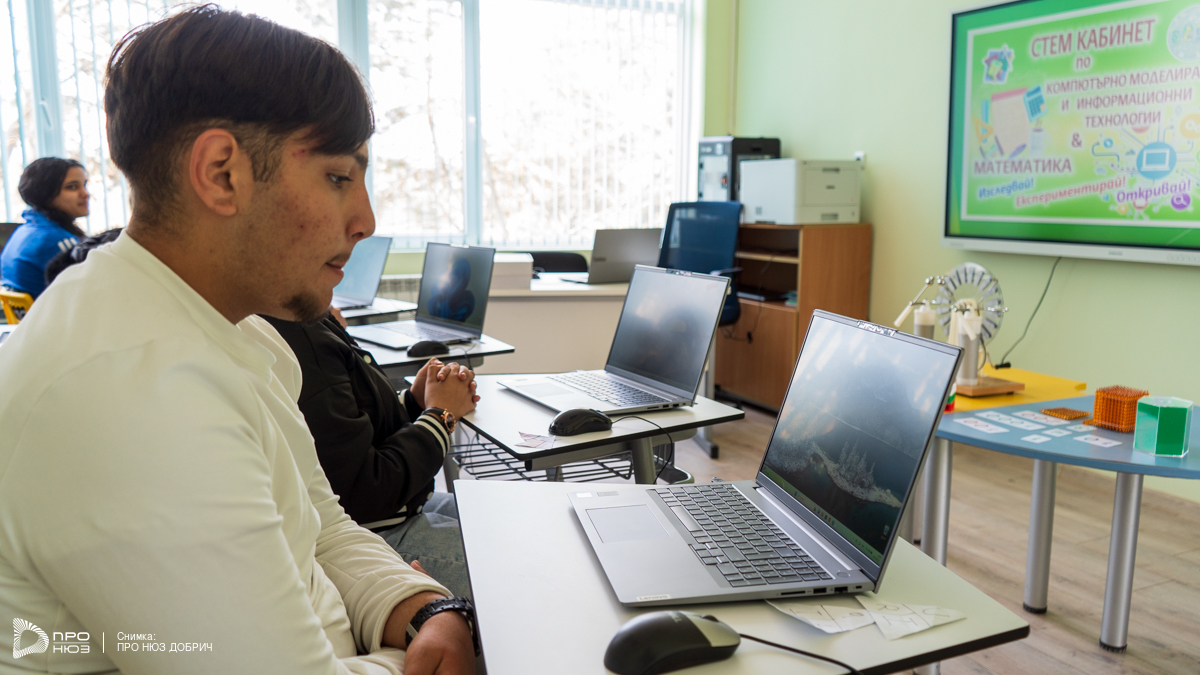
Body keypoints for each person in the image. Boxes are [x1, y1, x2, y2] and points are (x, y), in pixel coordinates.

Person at [0, 7, 477, 675]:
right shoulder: (125, 391)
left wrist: (423, 606)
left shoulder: (240, 330)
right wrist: (414, 653)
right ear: (222, 173)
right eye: (339, 177)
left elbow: (322, 525)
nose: (365, 219)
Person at [0, 157, 89, 298]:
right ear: (46, 194)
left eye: (84, 185)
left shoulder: (25, 231)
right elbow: (87, 291)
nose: (85, 194)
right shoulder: (56, 240)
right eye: (72, 187)